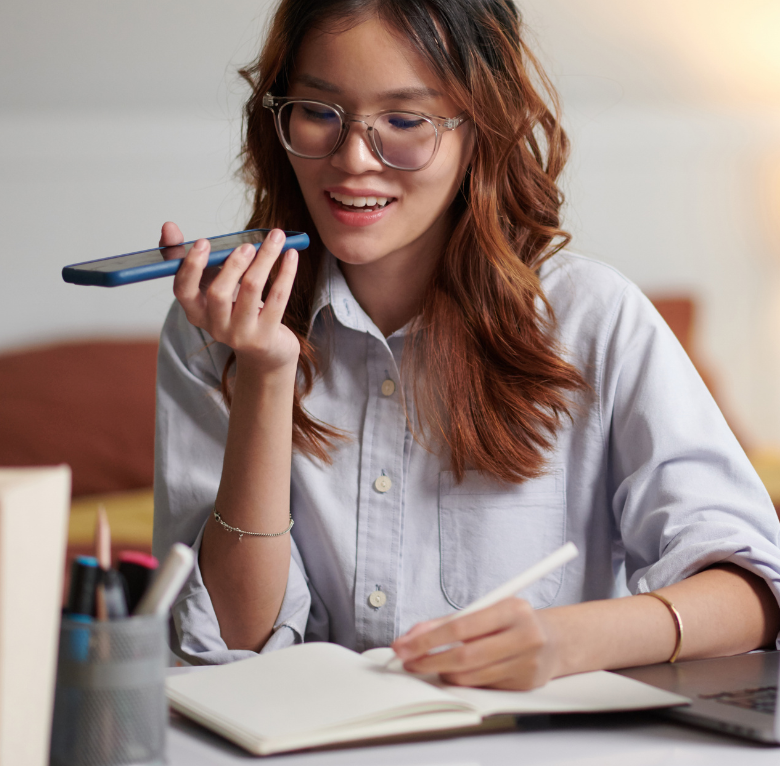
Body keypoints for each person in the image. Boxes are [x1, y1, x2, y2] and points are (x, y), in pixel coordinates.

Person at [153, 0, 780, 690]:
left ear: (478, 129)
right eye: (319, 112)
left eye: (405, 121)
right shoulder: (211, 332)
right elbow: (229, 646)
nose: (354, 159)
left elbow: (754, 589)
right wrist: (267, 378)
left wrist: (569, 640)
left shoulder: (591, 318)